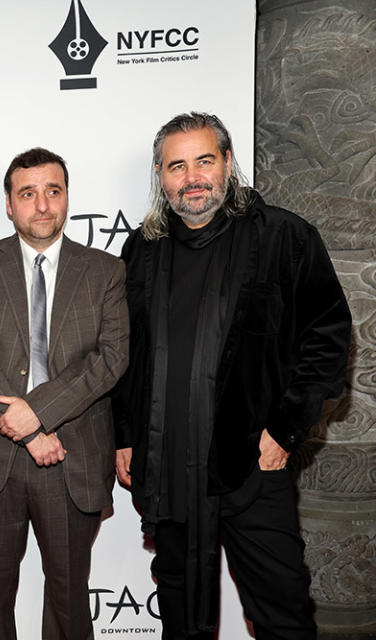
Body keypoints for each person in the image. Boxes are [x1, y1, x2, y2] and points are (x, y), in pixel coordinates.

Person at [113, 112, 352, 639]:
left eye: (204, 160)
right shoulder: (140, 252)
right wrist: (126, 436)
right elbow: (122, 354)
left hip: (251, 464)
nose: (192, 176)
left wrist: (286, 430)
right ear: (160, 174)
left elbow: (328, 337)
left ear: (227, 162)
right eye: (177, 166)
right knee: (181, 615)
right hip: (168, 468)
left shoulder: (284, 237)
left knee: (281, 612)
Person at [0, 147, 128, 639]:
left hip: (72, 455)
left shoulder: (105, 271)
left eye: (53, 191)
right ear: (9, 204)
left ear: (67, 196)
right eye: (28, 194)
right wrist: (29, 431)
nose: (43, 205)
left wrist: (40, 414)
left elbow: (111, 360)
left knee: (70, 601)